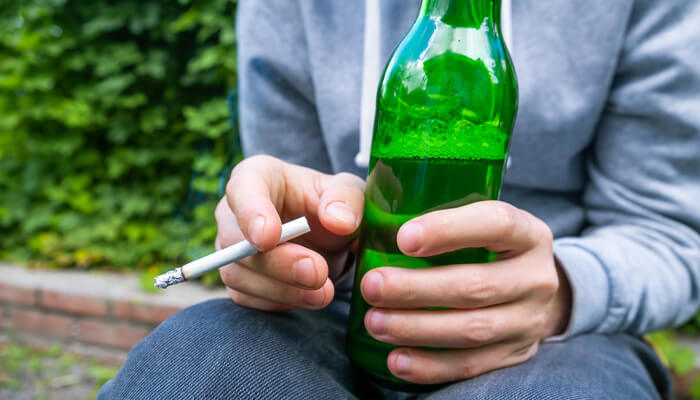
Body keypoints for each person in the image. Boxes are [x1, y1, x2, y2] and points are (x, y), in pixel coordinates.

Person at [98, 0, 700, 398]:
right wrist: (298, 238)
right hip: (340, 306)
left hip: (554, 331)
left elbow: (671, 233)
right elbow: (291, 180)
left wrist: (560, 291)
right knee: (196, 363)